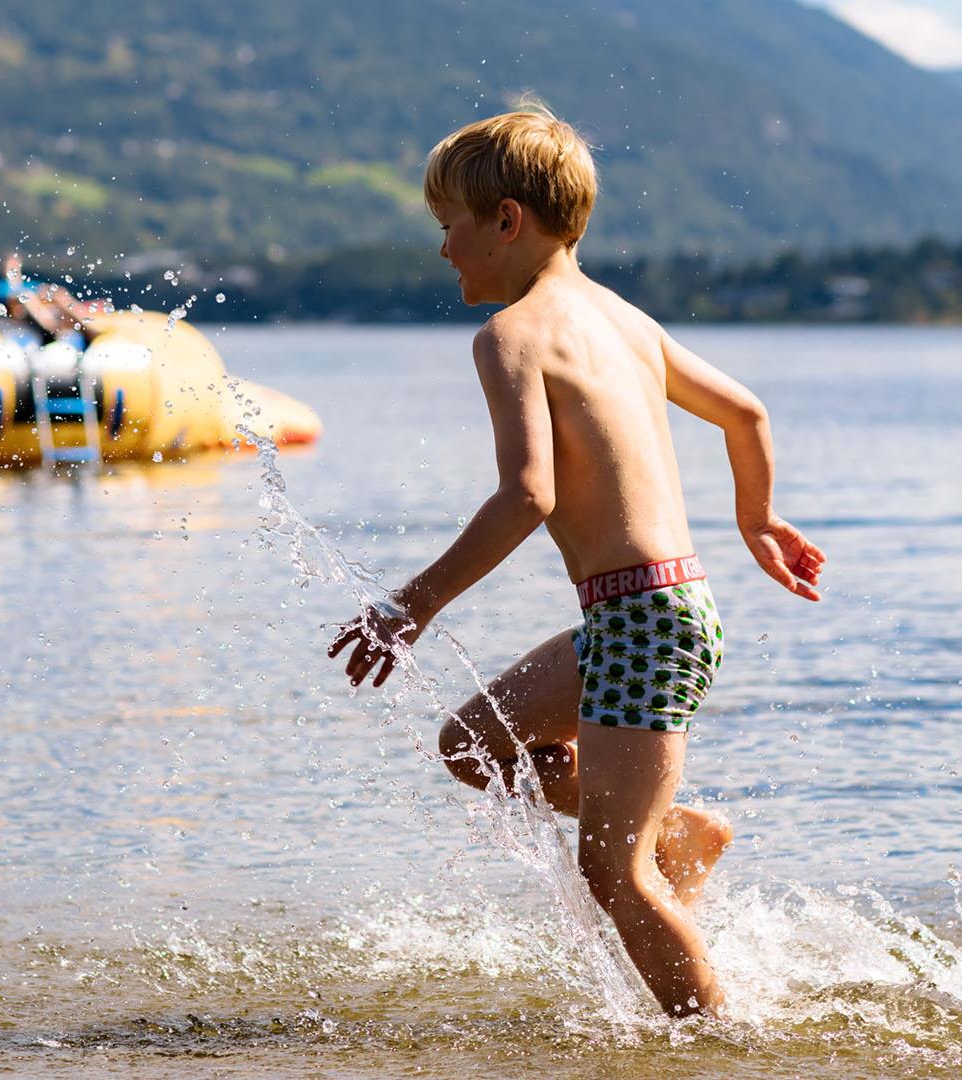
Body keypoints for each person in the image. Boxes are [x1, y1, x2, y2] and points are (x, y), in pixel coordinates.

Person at [327, 108, 825, 1018]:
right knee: (474, 745)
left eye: (451, 229)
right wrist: (757, 520)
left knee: (612, 874)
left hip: (644, 621)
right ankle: (685, 832)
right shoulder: (626, 321)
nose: (444, 252)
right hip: (651, 612)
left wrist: (414, 604)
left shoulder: (512, 338)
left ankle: (720, 1043)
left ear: (507, 220)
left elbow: (528, 495)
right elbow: (746, 414)